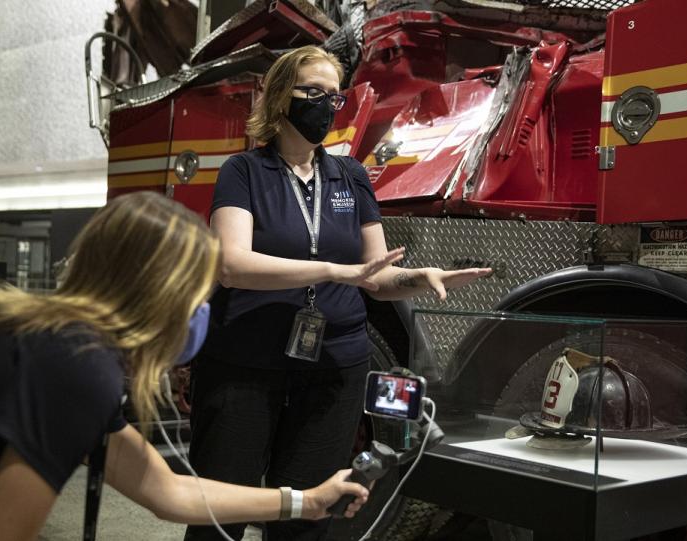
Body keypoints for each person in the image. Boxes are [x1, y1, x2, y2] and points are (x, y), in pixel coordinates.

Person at [0, 192, 370, 541]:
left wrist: (304, 502)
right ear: (160, 294)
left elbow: (166, 491)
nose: (201, 312)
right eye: (198, 293)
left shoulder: (70, 347)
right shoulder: (75, 365)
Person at [185, 45, 491, 541]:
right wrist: (331, 270)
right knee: (220, 516)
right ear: (282, 97)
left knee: (308, 515)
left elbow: (373, 275)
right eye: (313, 93)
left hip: (332, 370)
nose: (326, 106)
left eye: (335, 96)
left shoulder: (350, 176)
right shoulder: (243, 172)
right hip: (245, 365)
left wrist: (420, 276)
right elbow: (232, 265)